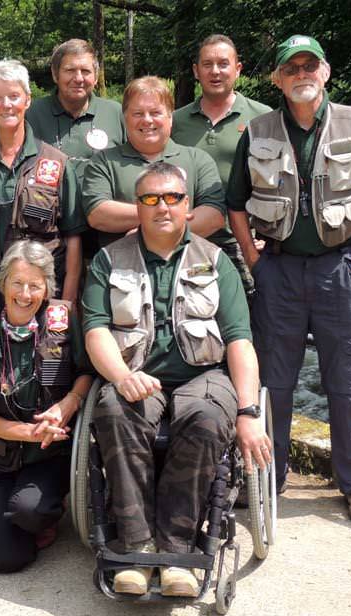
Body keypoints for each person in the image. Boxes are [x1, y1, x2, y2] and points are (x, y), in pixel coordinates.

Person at [227, 35, 351, 525]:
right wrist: (253, 261)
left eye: (311, 65)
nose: (302, 73)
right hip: (278, 271)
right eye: (292, 68)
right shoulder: (257, 129)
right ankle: (269, 476)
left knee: (349, 384)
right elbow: (236, 204)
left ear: (325, 73)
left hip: (340, 269)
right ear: (277, 79)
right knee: (273, 383)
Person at [83, 162, 271, 597]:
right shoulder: (108, 260)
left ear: (187, 206)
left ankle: (177, 547)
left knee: (205, 418)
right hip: (138, 374)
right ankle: (136, 545)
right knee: (113, 408)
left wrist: (249, 413)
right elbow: (95, 331)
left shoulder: (216, 259)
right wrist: (123, 376)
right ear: (138, 206)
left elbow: (240, 340)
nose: (161, 207)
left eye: (171, 198)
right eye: (150, 199)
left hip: (204, 374)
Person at [0, 240, 93, 572]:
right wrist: (29, 432)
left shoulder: (63, 320)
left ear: (47, 287)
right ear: (3, 284)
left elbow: (87, 372)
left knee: (29, 511)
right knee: (6, 559)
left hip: (47, 455)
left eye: (35, 285)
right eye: (17, 283)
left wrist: (69, 403)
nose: (25, 293)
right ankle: (11, 519)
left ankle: (42, 514)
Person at [0, 59, 85, 332]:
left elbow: (73, 238)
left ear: (27, 99)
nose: (6, 104)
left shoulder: (56, 164)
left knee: (46, 373)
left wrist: (66, 302)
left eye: (14, 96)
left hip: (41, 296)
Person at [172, 34, 272, 299]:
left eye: (223, 64)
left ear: (237, 69)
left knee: (247, 321)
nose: (215, 71)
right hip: (186, 241)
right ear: (196, 71)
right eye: (207, 64)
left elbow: (282, 182)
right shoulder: (174, 122)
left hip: (243, 243)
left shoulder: (264, 118)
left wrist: (270, 237)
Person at [82, 76, 226, 249]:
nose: (147, 120)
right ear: (125, 118)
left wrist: (149, 235)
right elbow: (98, 214)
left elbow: (213, 216)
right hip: (123, 268)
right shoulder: (103, 162)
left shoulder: (198, 159)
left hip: (188, 268)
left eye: (155, 112)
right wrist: (170, 215)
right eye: (138, 113)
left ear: (170, 117)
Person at [26, 39, 126, 182]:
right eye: (70, 70)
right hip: (48, 202)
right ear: (55, 75)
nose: (78, 78)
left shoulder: (116, 113)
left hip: (104, 203)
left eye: (85, 71)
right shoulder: (32, 114)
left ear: (96, 77)